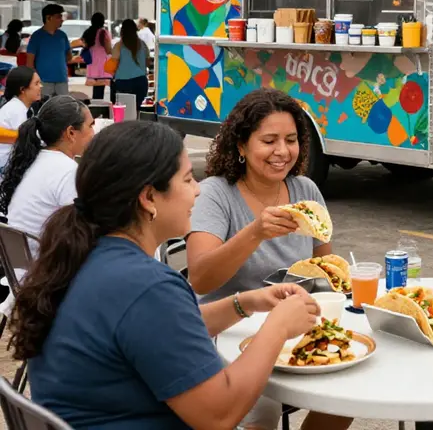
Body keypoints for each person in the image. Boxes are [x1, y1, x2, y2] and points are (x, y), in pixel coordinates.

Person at [10, 121, 323, 430]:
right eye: (187, 180)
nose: (197, 190)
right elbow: (219, 415)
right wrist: (278, 327)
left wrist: (243, 304)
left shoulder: (83, 256)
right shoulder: (147, 286)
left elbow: (154, 331)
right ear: (149, 198)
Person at [186, 88, 352, 430]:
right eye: (269, 140)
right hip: (225, 333)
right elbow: (200, 279)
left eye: (291, 140)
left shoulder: (306, 190)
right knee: (263, 409)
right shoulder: (217, 194)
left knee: (347, 391)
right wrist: (255, 232)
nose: (282, 152)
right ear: (242, 146)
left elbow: (327, 270)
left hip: (292, 327)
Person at [0, 95, 94, 247]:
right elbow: (83, 228)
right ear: (71, 133)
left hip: (20, 263)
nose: (93, 133)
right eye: (90, 125)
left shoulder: (32, 159)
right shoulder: (66, 170)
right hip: (44, 264)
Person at [0, 66, 41, 174]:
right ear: (23, 89)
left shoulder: (22, 107)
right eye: (36, 84)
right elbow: (26, 143)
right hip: (6, 168)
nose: (40, 86)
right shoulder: (15, 110)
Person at [26, 4, 71, 98]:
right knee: (45, 109)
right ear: (48, 18)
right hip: (43, 82)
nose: (62, 19)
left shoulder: (62, 36)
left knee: (63, 108)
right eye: (58, 17)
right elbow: (29, 63)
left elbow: (68, 56)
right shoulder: (36, 37)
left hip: (62, 80)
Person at [111, 19, 149, 111]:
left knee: (124, 112)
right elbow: (148, 62)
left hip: (123, 83)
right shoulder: (142, 44)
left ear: (122, 31)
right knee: (136, 110)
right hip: (141, 82)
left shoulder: (118, 46)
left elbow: (113, 65)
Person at [81, 12, 113, 100]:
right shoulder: (103, 33)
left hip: (92, 66)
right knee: (108, 91)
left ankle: (96, 109)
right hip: (103, 66)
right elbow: (108, 50)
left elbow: (84, 46)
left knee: (97, 93)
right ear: (102, 21)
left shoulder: (87, 33)